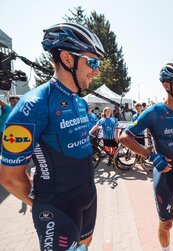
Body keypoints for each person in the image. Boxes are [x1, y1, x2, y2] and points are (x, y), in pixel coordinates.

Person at [0, 23, 105, 251]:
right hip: (57, 208)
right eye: (93, 62)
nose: (97, 71)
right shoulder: (33, 105)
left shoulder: (78, 101)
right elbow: (9, 177)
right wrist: (38, 204)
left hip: (88, 198)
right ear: (67, 59)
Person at [119, 60, 173, 251]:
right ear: (167, 85)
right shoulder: (154, 112)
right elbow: (124, 137)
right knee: (167, 223)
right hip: (165, 177)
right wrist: (149, 155)